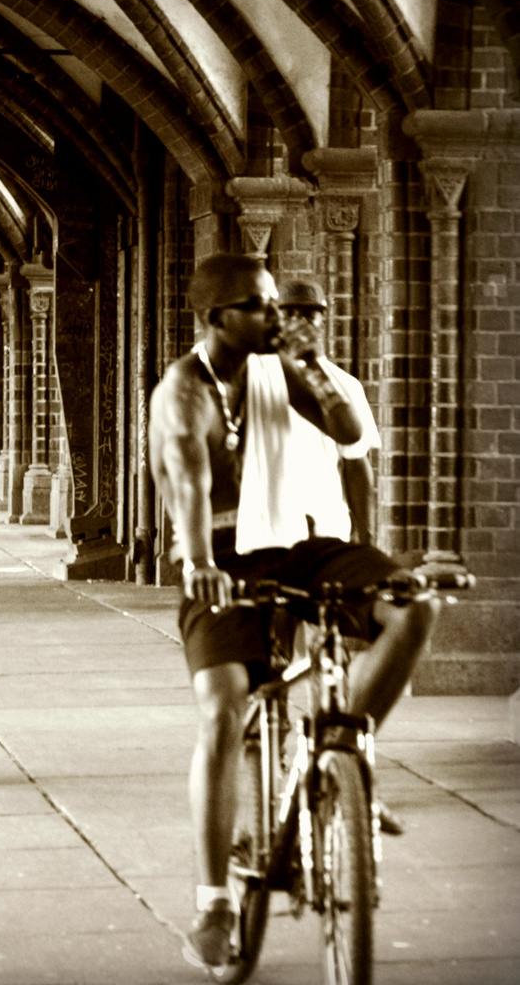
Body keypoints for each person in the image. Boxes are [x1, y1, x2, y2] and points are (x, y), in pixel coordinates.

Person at [148, 253, 441, 972]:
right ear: (218, 317)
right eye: (259, 306)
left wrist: (308, 365)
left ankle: (337, 743)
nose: (275, 317)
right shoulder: (182, 391)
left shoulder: (278, 368)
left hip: (305, 545)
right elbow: (184, 479)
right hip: (221, 558)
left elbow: (346, 433)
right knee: (222, 709)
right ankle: (215, 903)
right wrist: (200, 566)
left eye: (278, 303)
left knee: (414, 606)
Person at [274, 277, 380, 544]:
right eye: (289, 313)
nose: (299, 322)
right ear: (275, 319)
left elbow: (356, 464)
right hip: (269, 532)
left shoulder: (345, 385)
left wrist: (367, 539)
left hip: (327, 526)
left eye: (310, 314)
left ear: (322, 321)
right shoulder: (255, 377)